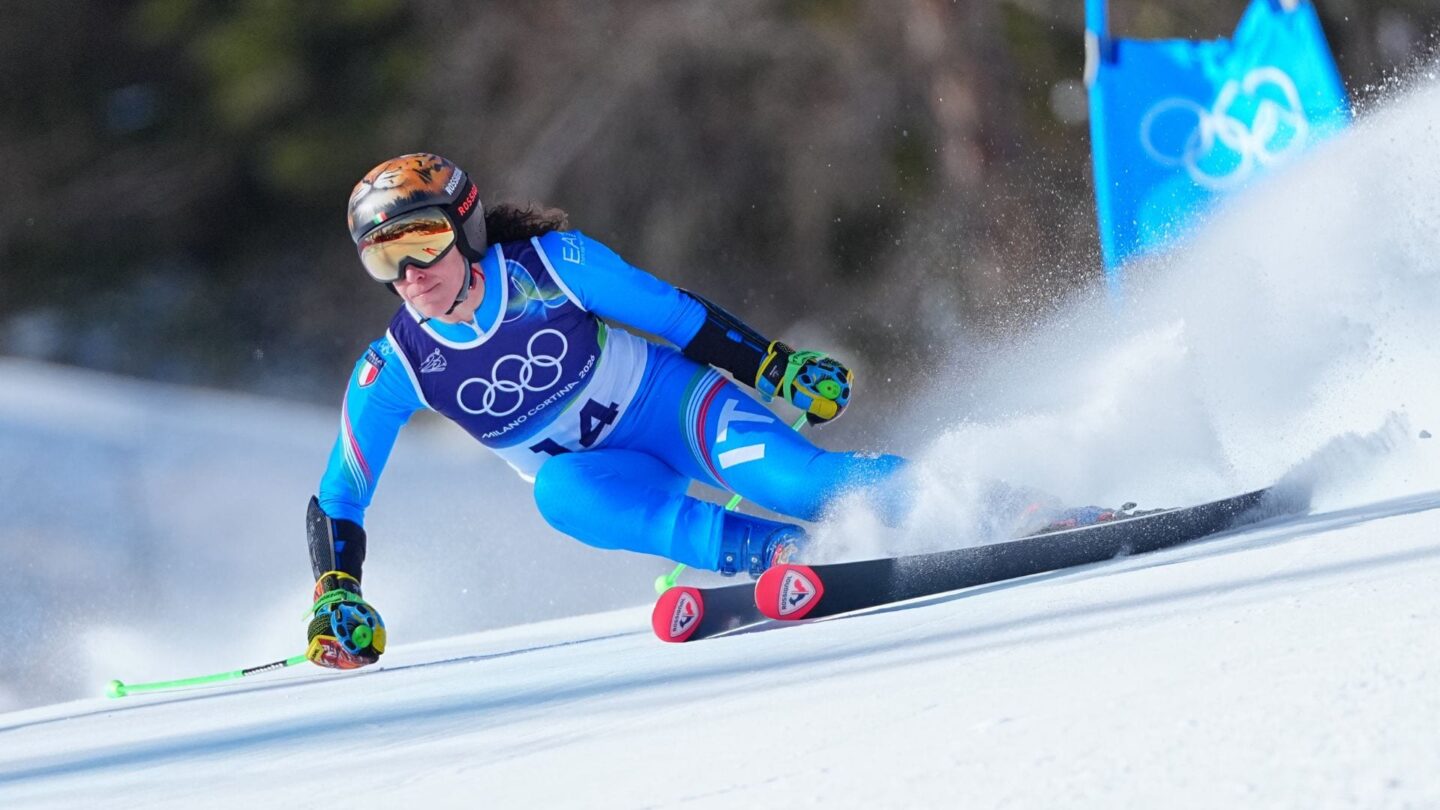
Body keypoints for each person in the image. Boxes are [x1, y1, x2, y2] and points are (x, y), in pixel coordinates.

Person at [304, 153, 911, 669]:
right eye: (385, 260)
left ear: (466, 229)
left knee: (807, 487)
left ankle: (964, 497)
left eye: (423, 243)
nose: (410, 276)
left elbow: (677, 318)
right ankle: (780, 554)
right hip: (608, 477)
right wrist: (336, 592)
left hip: (675, 413)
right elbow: (341, 494)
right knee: (557, 493)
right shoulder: (395, 366)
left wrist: (776, 367)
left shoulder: (552, 268)